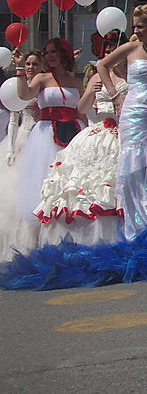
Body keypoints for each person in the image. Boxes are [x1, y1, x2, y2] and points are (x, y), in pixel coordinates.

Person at [33, 35, 127, 247]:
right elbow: (81, 110)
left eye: (115, 47)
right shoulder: (96, 77)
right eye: (108, 48)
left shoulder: (131, 74)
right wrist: (90, 93)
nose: (111, 51)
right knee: (85, 184)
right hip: (99, 133)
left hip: (126, 131)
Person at [97, 2, 147, 241]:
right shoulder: (131, 48)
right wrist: (115, 94)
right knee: (135, 167)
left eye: (141, 26)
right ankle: (138, 231)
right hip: (134, 112)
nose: (138, 30)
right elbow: (102, 65)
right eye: (136, 26)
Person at [10, 38, 84, 256]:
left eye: (53, 51)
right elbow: (24, 95)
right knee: (45, 183)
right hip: (46, 136)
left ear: (63, 54)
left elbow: (81, 111)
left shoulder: (75, 82)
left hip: (73, 134)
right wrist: (19, 68)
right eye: (47, 52)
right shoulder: (42, 79)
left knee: (71, 185)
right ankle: (43, 239)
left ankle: (69, 235)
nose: (50, 55)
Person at [0, 51, 45, 262]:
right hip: (23, 138)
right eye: (28, 63)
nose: (30, 67)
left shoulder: (43, 84)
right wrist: (10, 148)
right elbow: (13, 118)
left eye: (35, 64)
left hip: (43, 136)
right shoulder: (18, 86)